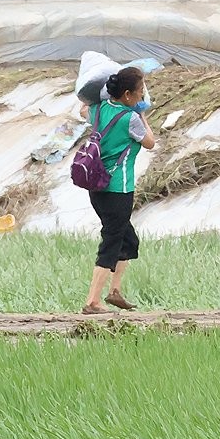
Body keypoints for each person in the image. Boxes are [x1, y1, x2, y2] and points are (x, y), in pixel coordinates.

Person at [82, 67, 156, 315]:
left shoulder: (98, 110)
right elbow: (150, 142)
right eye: (139, 92)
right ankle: (93, 301)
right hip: (119, 189)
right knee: (111, 242)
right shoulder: (130, 119)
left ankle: (114, 292)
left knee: (128, 240)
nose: (142, 95)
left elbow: (84, 109)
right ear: (127, 95)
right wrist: (142, 114)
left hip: (96, 186)